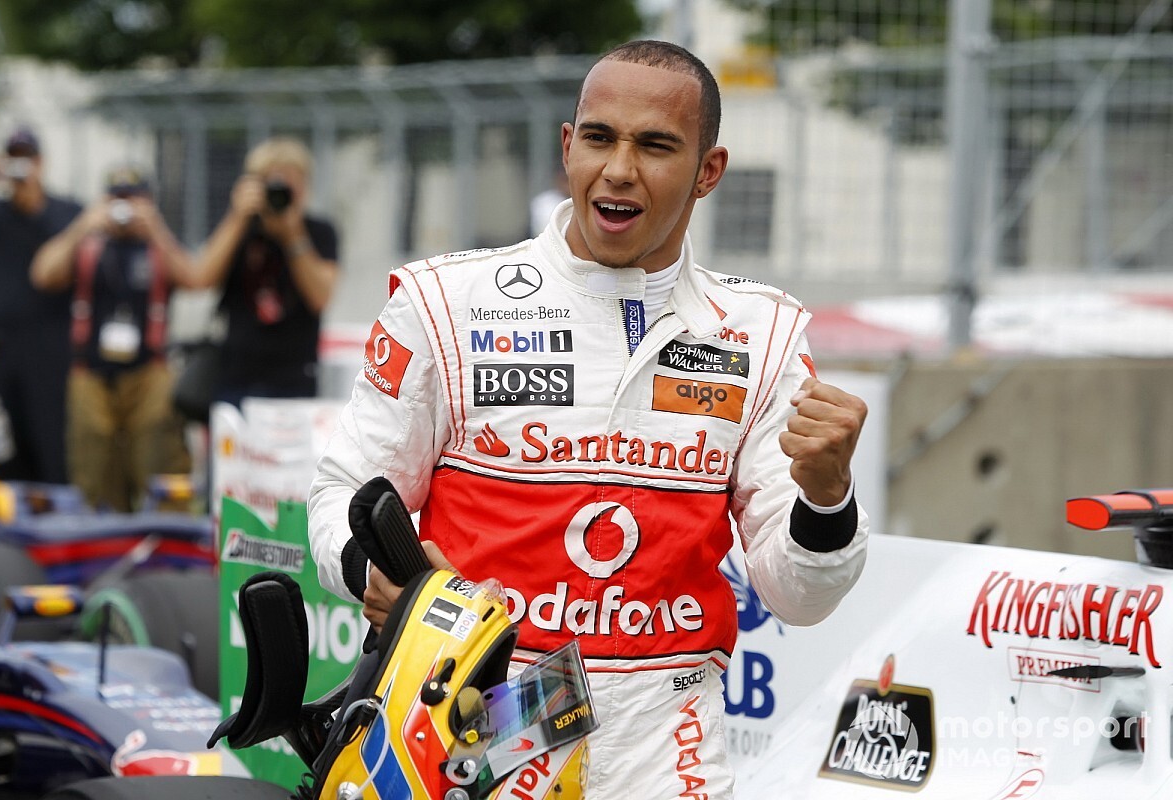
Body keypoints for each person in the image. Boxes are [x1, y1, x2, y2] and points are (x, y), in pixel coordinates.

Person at [308, 40, 869, 799]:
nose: (619, 169)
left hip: (665, 753)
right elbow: (342, 492)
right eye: (600, 138)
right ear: (568, 146)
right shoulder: (445, 305)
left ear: (708, 171)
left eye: (656, 146)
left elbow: (799, 598)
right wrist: (376, 572)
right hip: (475, 730)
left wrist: (828, 496)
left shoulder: (761, 335)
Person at [31, 166, 193, 511]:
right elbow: (43, 274)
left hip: (149, 372)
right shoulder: (90, 244)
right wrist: (82, 226)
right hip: (91, 373)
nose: (125, 208)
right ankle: (101, 529)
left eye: (134, 199)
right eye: (117, 198)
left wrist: (156, 228)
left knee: (157, 462)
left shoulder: (156, 245)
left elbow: (195, 278)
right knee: (93, 468)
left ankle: (163, 531)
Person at [193, 137, 339, 406]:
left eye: (289, 184)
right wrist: (237, 217)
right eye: (271, 184)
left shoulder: (318, 232)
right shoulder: (240, 229)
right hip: (236, 375)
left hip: (294, 378)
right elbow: (202, 279)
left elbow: (321, 297)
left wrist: (293, 236)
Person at [0, 127, 82, 483]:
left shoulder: (65, 211)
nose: (20, 166)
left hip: (51, 341)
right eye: (13, 158)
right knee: (3, 445)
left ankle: (57, 506)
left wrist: (33, 199)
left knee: (51, 436)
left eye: (26, 158)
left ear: (40, 162)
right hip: (2, 343)